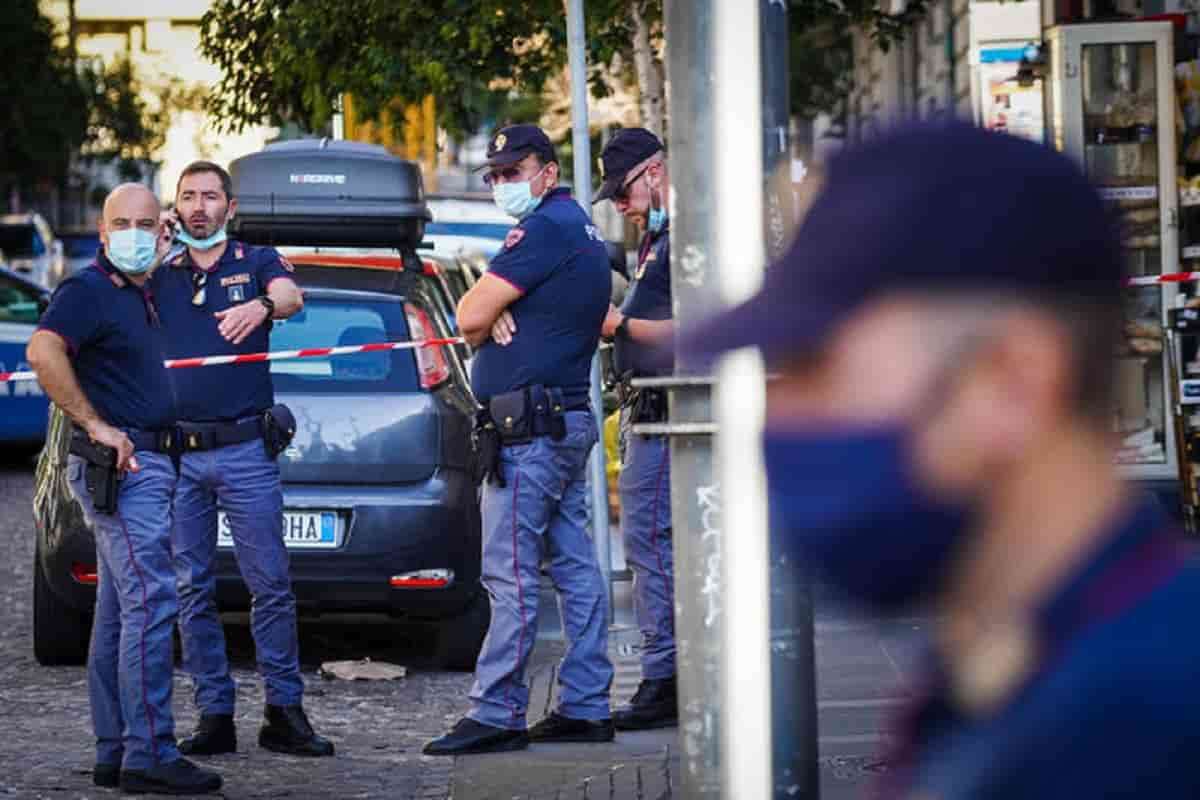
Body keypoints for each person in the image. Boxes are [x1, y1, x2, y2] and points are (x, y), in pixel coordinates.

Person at [683, 120, 1200, 798]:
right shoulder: (1007, 672)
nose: (781, 417)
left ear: (1014, 379)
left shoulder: (1137, 725)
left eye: (815, 364)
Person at [424, 124, 614, 755]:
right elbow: (491, 314)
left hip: (530, 433)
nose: (505, 183)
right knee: (577, 571)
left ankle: (498, 711)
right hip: (561, 422)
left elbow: (467, 315)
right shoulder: (579, 230)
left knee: (510, 577)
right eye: (497, 175)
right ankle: (586, 703)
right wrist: (499, 310)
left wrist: (488, 313)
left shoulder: (542, 231)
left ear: (548, 172)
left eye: (515, 170)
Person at [26, 184, 223, 795]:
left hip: (151, 465)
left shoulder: (149, 289)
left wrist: (177, 238)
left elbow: (217, 253)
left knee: (118, 611)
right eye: (123, 223)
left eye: (147, 222)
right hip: (123, 468)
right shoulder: (87, 290)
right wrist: (94, 423)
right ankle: (150, 752)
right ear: (103, 232)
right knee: (151, 602)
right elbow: (41, 350)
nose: (137, 232)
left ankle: (115, 748)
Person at [152, 161, 333, 758]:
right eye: (188, 197)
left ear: (230, 208)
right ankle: (215, 714)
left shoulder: (257, 260)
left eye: (210, 197)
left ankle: (283, 710)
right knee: (190, 590)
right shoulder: (160, 272)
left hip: (245, 452)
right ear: (175, 207)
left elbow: (291, 297)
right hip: (178, 456)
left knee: (271, 585)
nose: (199, 207)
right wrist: (146, 250)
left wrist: (261, 307)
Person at [595, 128, 678, 729]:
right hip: (654, 411)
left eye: (623, 193)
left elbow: (690, 326)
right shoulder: (659, 237)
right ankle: (671, 672)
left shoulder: (681, 238)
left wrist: (614, 322)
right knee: (653, 546)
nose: (620, 206)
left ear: (654, 171)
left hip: (672, 412)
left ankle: (665, 677)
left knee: (648, 545)